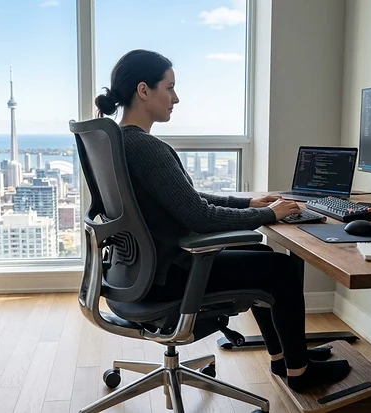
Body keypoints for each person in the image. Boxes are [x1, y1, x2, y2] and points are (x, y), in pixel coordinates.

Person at [94, 49, 350, 392]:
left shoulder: (115, 142)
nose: (176, 98)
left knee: (257, 254)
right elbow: (198, 215)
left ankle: (283, 358)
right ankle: (301, 374)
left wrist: (248, 203)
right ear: (144, 91)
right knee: (284, 271)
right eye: (169, 88)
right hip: (169, 278)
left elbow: (185, 198)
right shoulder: (147, 148)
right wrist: (266, 214)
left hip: (134, 274)